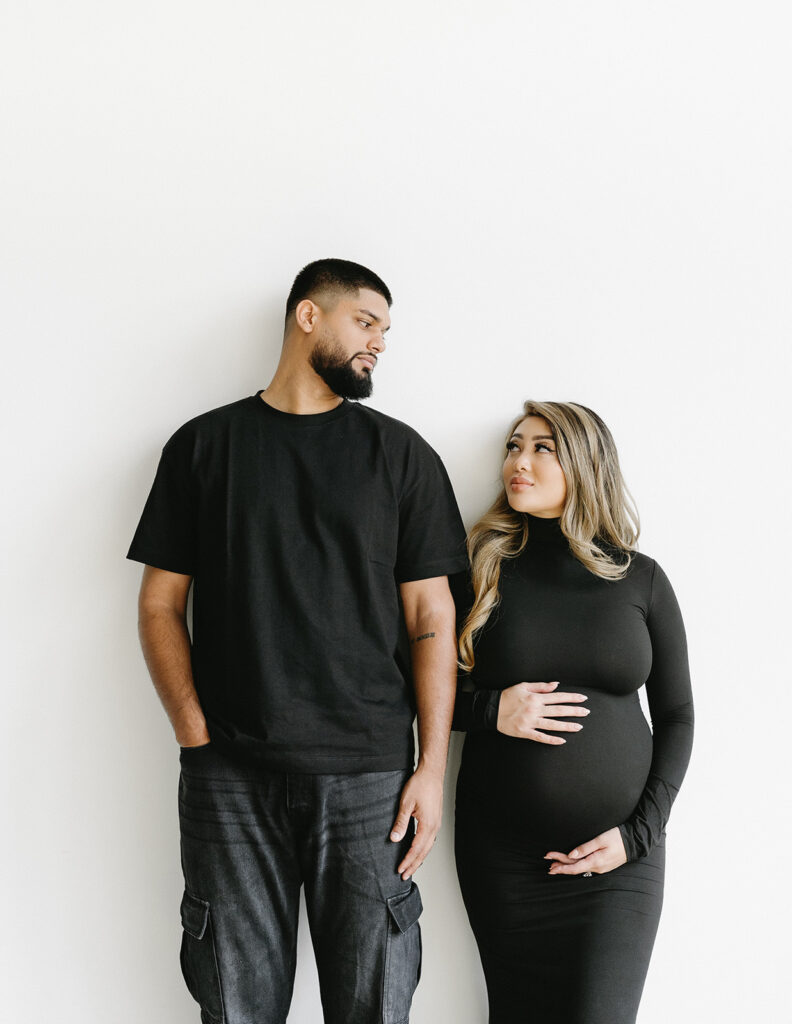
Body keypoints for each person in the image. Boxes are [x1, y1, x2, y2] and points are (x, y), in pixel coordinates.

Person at [127, 259, 467, 1024]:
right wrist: (194, 735)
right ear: (308, 316)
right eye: (366, 322)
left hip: (370, 779)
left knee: (374, 1006)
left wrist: (430, 768)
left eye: (386, 331)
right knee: (236, 1007)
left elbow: (432, 621)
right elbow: (159, 605)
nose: (379, 342)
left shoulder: (401, 456)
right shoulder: (203, 446)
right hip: (231, 780)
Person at [453, 400, 694, 1024]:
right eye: (513, 445)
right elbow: (412, 692)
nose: (519, 461)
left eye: (541, 448)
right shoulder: (482, 570)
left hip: (619, 859)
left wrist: (639, 836)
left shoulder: (641, 580)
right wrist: (490, 710)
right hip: (502, 857)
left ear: (585, 464)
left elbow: (679, 715)